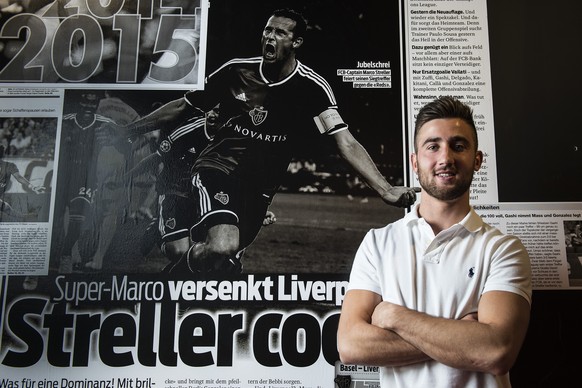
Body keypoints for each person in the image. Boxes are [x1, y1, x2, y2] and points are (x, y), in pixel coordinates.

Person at [119, 8, 417, 274]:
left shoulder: (312, 88)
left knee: (221, 259)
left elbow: (346, 142)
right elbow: (184, 105)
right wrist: (132, 130)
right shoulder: (236, 70)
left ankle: (177, 284)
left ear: (296, 42)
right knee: (223, 245)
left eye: (280, 32)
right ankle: (173, 285)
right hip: (218, 168)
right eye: (267, 30)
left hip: (260, 188)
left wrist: (386, 188)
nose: (270, 37)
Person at [337, 96, 532, 387]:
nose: (445, 158)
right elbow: (351, 346)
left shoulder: (503, 249)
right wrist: (464, 341)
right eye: (433, 146)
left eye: (458, 145)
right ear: (415, 163)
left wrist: (394, 316)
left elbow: (496, 351)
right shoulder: (378, 243)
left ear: (477, 160)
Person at [54, 91, 117, 273]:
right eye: (85, 103)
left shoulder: (106, 124)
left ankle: (66, 256)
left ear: (97, 104)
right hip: (63, 173)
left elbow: (126, 140)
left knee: (77, 218)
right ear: (79, 103)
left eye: (93, 103)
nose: (89, 107)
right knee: (56, 218)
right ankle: (54, 258)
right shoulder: (65, 120)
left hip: (86, 176)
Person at [0, 144, 44, 220]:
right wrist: (32, 187)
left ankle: (25, 217)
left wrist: (32, 187)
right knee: (4, 206)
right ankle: (25, 217)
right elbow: (19, 177)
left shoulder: (9, 166)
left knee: (5, 207)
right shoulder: (10, 165)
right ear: (3, 154)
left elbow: (19, 177)